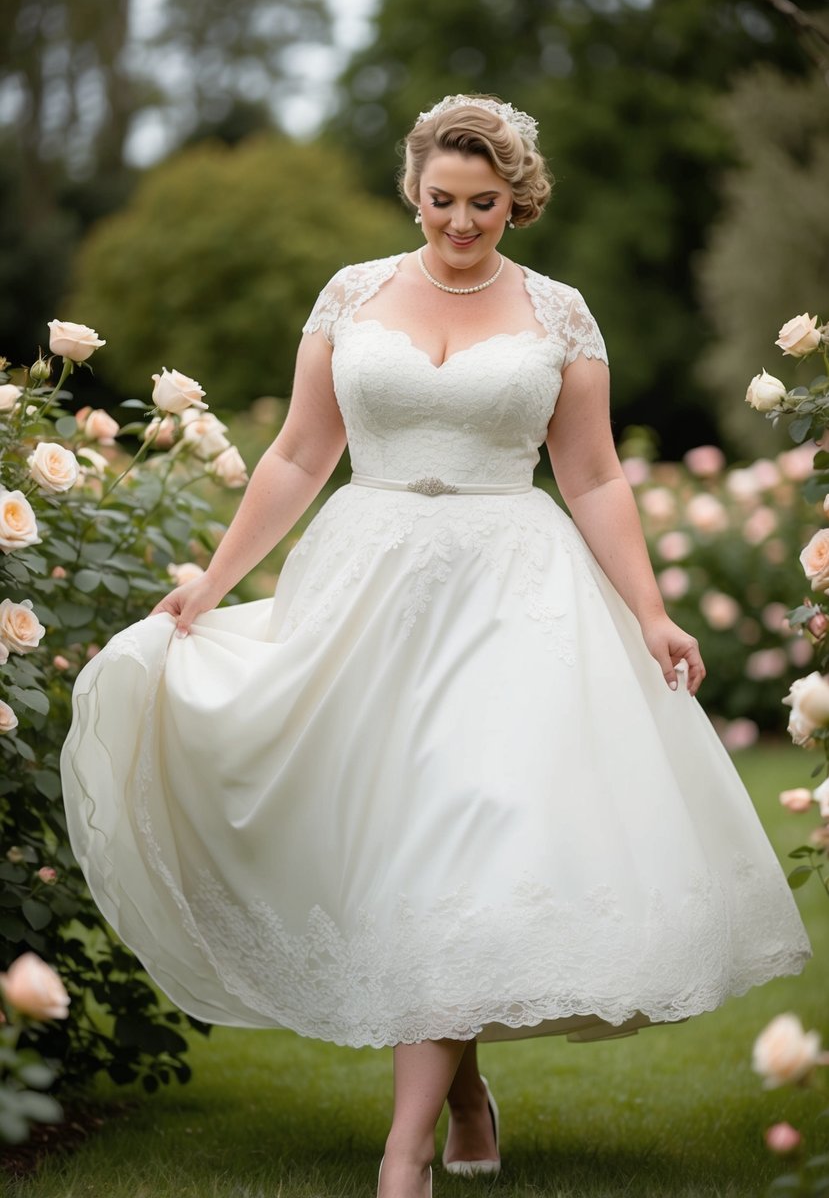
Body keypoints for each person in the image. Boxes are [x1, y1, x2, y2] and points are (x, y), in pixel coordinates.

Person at [61, 94, 810, 1198]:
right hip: (369, 581)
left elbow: (594, 475)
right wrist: (209, 584)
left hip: (514, 590)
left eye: (486, 204)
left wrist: (651, 609)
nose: (461, 224)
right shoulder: (353, 294)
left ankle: (401, 1153)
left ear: (519, 199)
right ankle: (460, 1090)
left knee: (466, 833)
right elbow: (297, 457)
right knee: (397, 844)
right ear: (413, 190)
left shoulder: (559, 313)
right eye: (442, 201)